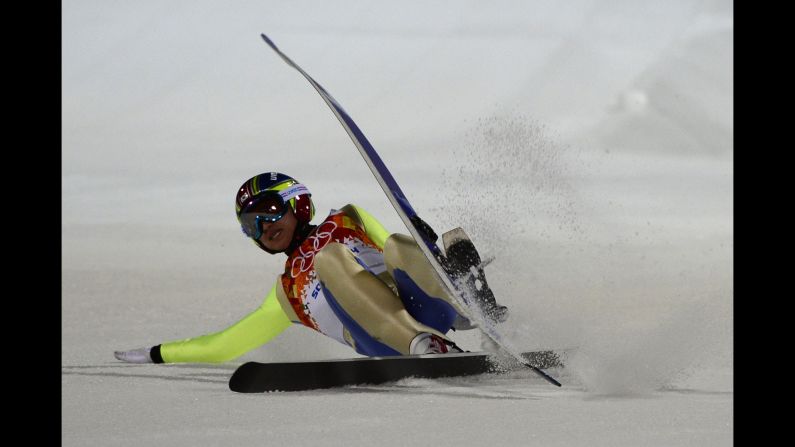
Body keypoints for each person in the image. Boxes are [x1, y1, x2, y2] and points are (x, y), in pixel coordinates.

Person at [114, 172, 507, 364]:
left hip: (420, 302)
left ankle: (472, 308)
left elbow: (396, 252)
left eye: (268, 212)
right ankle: (424, 343)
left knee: (399, 245)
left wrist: (425, 247)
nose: (264, 228)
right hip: (380, 336)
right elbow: (222, 345)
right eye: (251, 224)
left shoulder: (347, 218)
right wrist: (156, 353)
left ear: (297, 205)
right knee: (329, 258)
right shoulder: (287, 293)